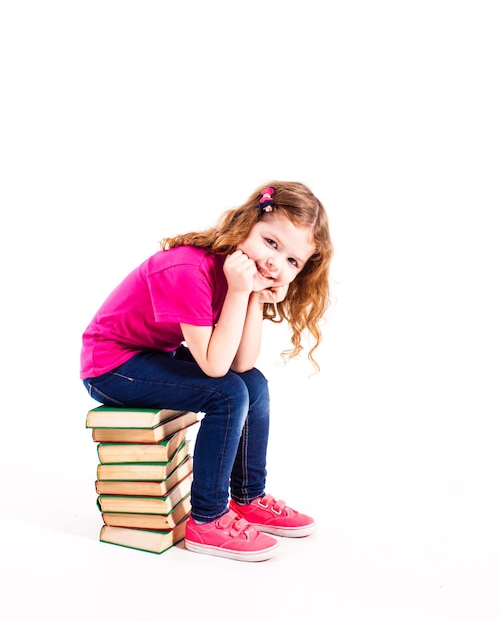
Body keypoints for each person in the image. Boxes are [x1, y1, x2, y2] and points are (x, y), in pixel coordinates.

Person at [80, 180, 333, 562]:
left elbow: (241, 363)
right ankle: (209, 519)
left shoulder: (241, 277)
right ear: (248, 223)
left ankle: (248, 497)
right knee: (227, 394)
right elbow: (216, 368)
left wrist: (253, 296)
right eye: (271, 243)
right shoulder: (190, 268)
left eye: (292, 262)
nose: (275, 263)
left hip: (151, 354)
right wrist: (238, 290)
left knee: (254, 384)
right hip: (111, 364)